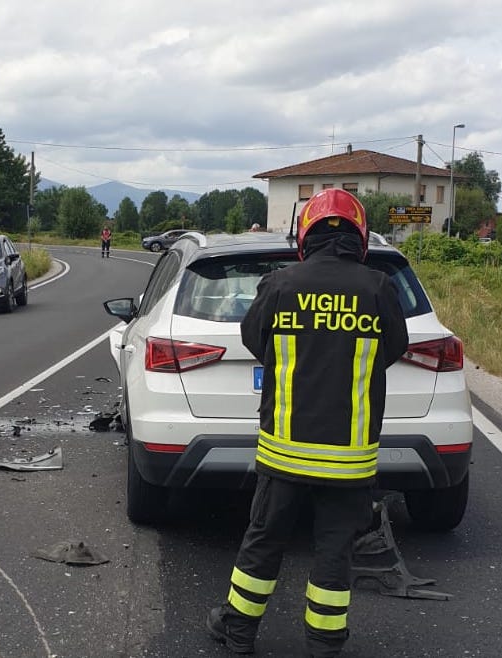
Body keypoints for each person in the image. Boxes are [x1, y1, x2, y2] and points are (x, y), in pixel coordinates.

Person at [206, 189, 408, 658]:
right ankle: (325, 645)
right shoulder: (378, 289)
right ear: (359, 236)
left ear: (305, 235)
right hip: (349, 458)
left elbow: (255, 341)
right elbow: (393, 349)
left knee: (262, 544)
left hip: (285, 452)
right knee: (334, 553)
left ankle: (238, 634)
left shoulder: (279, 285)